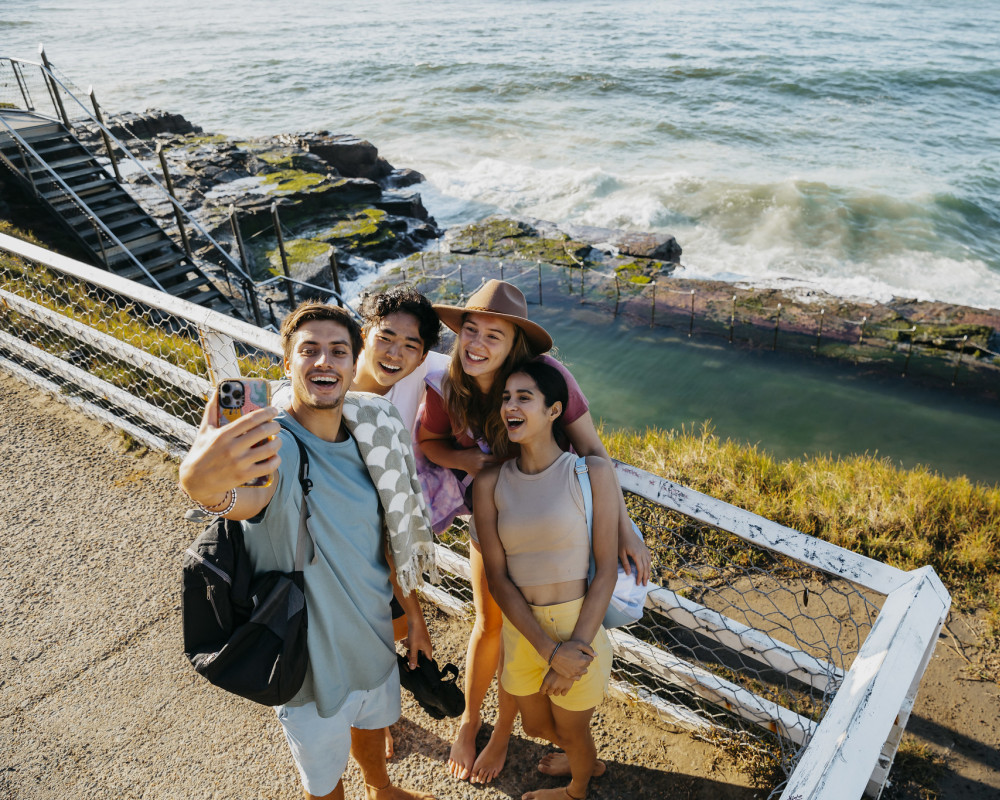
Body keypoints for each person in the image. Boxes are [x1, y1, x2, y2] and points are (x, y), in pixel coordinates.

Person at [179, 302, 437, 800]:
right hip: (307, 666)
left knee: (372, 726)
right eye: (309, 350)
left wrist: (415, 618)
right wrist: (200, 481)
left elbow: (384, 542)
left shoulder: (370, 434)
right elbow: (242, 497)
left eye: (338, 351)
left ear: (352, 361)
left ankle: (381, 788)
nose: (325, 361)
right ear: (286, 363)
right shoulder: (275, 446)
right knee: (322, 782)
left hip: (375, 644)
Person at [415, 279, 650, 783]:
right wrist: (468, 460)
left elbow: (594, 453)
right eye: (469, 331)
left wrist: (625, 527)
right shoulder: (448, 387)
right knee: (492, 623)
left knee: (554, 622)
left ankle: (526, 736)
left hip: (557, 518)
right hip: (493, 519)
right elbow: (430, 442)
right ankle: (475, 723)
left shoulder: (547, 379)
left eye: (492, 336)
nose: (476, 344)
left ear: (514, 344)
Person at [475, 361, 617, 800]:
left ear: (554, 410)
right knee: (535, 724)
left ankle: (577, 787)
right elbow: (497, 577)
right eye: (505, 398)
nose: (510, 407)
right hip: (526, 631)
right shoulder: (490, 482)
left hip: (581, 629)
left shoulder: (590, 471)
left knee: (572, 728)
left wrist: (571, 650)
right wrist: (548, 650)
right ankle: (586, 758)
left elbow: (606, 568)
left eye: (524, 397)